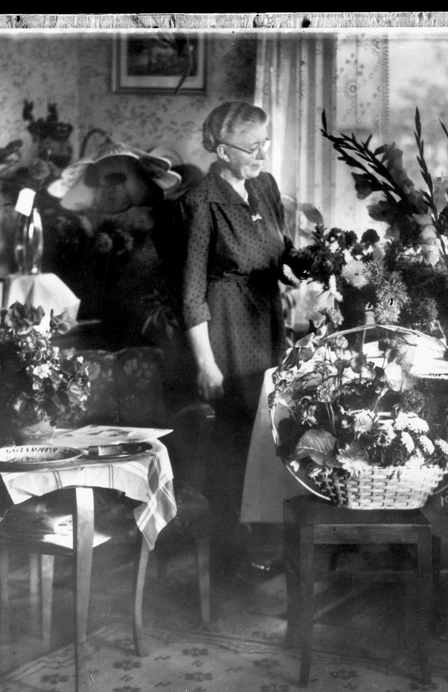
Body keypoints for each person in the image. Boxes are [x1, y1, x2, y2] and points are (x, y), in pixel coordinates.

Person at [165, 101, 303, 574]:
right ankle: (229, 554)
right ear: (223, 151)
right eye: (252, 147)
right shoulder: (200, 202)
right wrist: (206, 363)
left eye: (265, 144)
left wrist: (306, 266)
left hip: (266, 323)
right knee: (234, 438)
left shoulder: (264, 186)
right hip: (225, 329)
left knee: (268, 432)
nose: (262, 154)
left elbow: (282, 249)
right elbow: (190, 292)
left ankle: (262, 543)